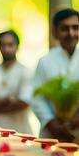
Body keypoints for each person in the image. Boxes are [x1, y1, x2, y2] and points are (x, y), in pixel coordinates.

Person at [31, 8, 79, 141]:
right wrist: (52, 124)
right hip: (51, 134)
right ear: (55, 32)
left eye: (75, 27)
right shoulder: (45, 61)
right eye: (65, 28)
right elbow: (37, 97)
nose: (71, 33)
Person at [0, 30, 34, 134]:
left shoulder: (26, 72)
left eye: (10, 45)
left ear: (17, 46)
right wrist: (7, 101)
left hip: (22, 133)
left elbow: (24, 103)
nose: (6, 49)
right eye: (3, 45)